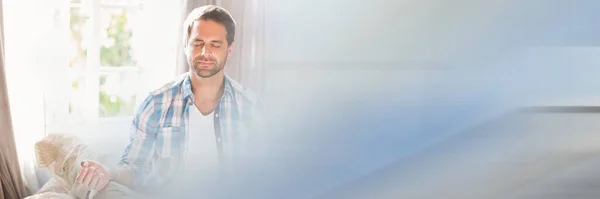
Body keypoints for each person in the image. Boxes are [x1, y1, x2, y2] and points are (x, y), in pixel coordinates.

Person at [74, 5, 264, 193]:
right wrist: (109, 172)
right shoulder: (156, 104)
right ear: (185, 46)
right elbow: (134, 167)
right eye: (198, 43)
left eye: (215, 44)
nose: (205, 52)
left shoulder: (251, 107)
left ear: (229, 50)